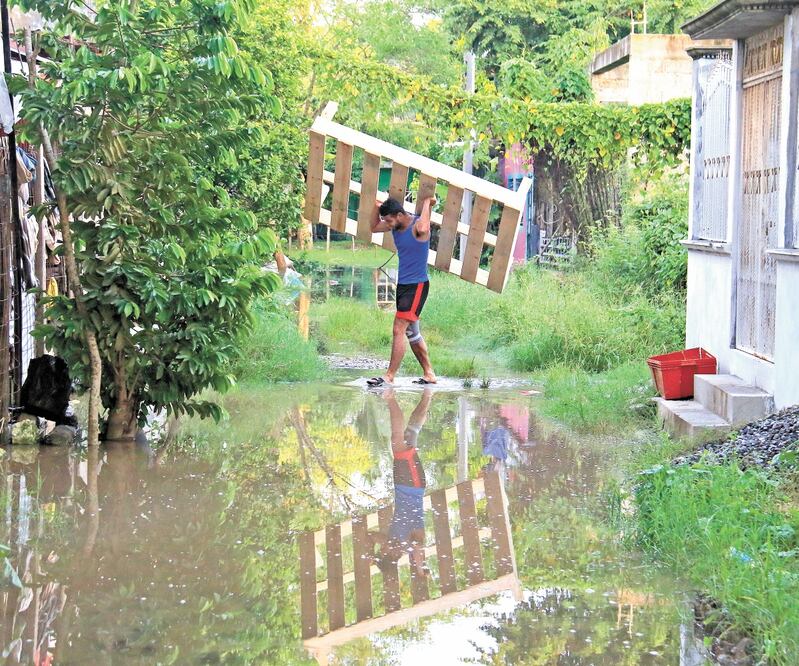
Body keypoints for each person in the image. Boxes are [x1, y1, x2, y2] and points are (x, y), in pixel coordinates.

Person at [366, 196, 437, 387]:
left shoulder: (418, 227)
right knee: (412, 334)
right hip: (404, 285)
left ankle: (389, 376)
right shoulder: (394, 226)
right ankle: (429, 373)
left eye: (389, 220)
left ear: (399, 215)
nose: (387, 225)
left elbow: (423, 228)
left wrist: (427, 202)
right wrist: (376, 206)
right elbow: (373, 227)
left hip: (417, 285)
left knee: (399, 328)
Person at [369, 388, 432, 580]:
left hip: (403, 483)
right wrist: (420, 570)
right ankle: (390, 397)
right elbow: (419, 548)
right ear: (393, 555)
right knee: (397, 441)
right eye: (384, 552)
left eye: (382, 550)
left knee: (410, 434)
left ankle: (428, 395)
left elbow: (369, 536)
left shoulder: (391, 540)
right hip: (412, 484)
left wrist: (372, 553)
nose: (384, 547)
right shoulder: (410, 544)